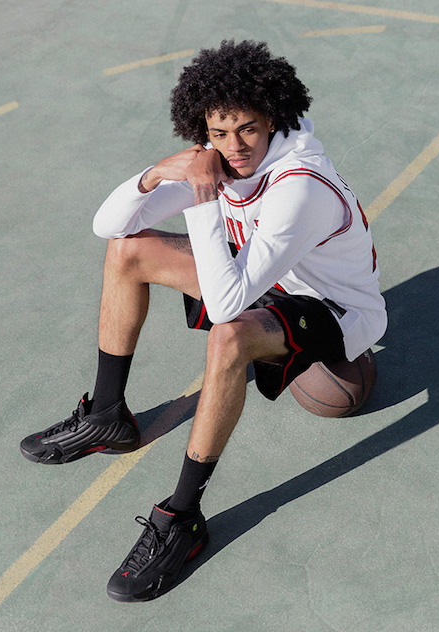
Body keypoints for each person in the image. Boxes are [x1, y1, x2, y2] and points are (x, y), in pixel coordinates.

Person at [19, 40, 386, 602]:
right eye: (218, 133)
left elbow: (228, 300)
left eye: (247, 130)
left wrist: (202, 200)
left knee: (229, 336)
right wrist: (152, 176)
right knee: (128, 252)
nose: (233, 148)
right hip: (267, 283)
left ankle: (183, 518)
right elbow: (107, 226)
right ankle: (109, 416)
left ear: (275, 119)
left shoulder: (300, 187)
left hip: (336, 313)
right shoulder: (222, 157)